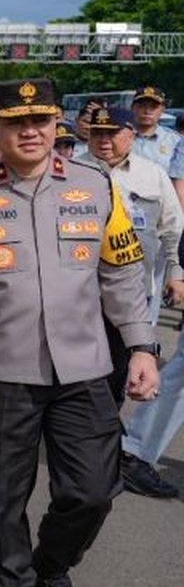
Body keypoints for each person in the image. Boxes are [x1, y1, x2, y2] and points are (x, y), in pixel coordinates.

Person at [0, 79, 159, 587]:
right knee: (1, 497)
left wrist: (141, 345)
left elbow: (121, 272)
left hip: (85, 370)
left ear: (58, 124)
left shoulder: (96, 187)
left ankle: (51, 569)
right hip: (0, 375)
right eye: (16, 122)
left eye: (40, 119)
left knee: (93, 490)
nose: (31, 131)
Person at [84, 106, 184, 499]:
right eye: (98, 132)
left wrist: (176, 273)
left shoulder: (151, 175)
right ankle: (104, 450)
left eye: (113, 133)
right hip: (78, 298)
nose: (105, 139)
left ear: (130, 135)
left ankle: (111, 448)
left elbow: (173, 230)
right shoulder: (69, 171)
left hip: (134, 295)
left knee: (116, 375)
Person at [130, 86, 183, 174]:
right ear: (132, 108)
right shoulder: (119, 137)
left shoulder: (176, 141)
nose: (147, 111)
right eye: (142, 106)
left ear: (162, 110)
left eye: (153, 107)